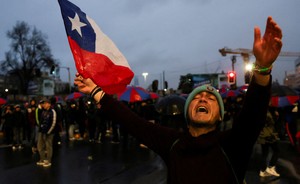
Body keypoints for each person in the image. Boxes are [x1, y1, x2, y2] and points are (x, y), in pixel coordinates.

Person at [74, 16, 282, 184]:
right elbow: (131, 122)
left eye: (211, 98)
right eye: (197, 97)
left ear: (220, 115)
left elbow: (253, 113)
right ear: (186, 111)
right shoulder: (173, 143)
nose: (203, 98)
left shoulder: (232, 145)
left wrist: (262, 68)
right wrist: (95, 91)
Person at [257, 106, 280, 177]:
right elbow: (271, 122)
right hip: (268, 135)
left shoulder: (259, 111)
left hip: (263, 135)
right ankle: (271, 167)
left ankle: (262, 171)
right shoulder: (265, 112)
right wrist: (276, 116)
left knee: (265, 153)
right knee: (276, 150)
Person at [36, 98, 57, 167]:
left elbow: (53, 122)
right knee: (40, 145)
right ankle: (42, 159)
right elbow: (40, 120)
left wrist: (49, 131)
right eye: (42, 104)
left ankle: (48, 160)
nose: (43, 105)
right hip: (42, 131)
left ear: (49, 104)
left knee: (48, 146)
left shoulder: (52, 111)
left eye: (45, 103)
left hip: (49, 132)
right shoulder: (43, 111)